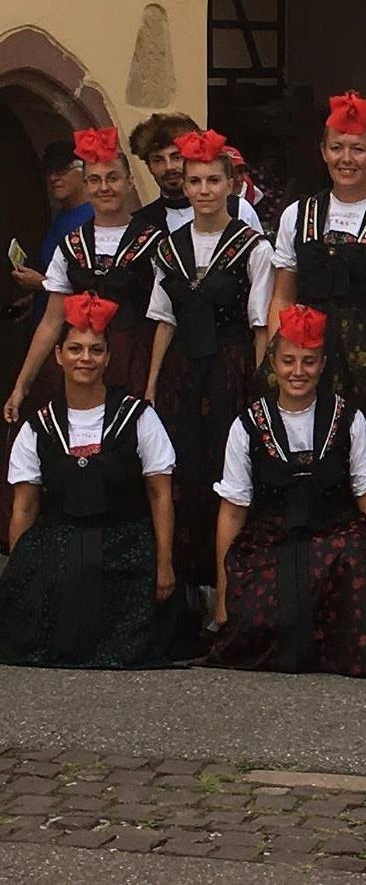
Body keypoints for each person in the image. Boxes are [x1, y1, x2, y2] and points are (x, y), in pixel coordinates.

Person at [209, 304, 366, 676]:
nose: (298, 372)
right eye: (289, 361)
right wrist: (223, 596)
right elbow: (232, 510)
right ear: (273, 363)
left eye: (309, 362)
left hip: (333, 535)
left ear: (323, 364)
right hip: (271, 541)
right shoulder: (246, 425)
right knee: (259, 614)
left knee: (354, 557)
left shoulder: (349, 419)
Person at [0, 292, 186, 667]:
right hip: (59, 539)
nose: (85, 359)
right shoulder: (38, 427)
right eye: (75, 349)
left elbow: (160, 495)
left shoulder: (139, 417)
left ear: (108, 357)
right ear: (58, 355)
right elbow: (25, 505)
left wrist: (164, 564)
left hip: (124, 539)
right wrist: (21, 575)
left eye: (95, 350)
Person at [268, 92, 366, 479]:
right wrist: (273, 365)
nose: (346, 158)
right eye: (337, 147)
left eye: (357, 149)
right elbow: (283, 297)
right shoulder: (297, 214)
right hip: (309, 355)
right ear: (323, 151)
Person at [145, 129, 275, 590]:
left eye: (211, 182)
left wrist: (262, 385)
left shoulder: (254, 248)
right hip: (182, 370)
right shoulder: (166, 247)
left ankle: (230, 580)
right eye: (194, 182)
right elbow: (164, 320)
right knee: (184, 464)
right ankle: (182, 575)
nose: (202, 191)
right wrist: (152, 384)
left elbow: (261, 325)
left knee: (230, 465)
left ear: (230, 185)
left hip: (232, 367)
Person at [7, 127, 165, 421]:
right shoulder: (71, 244)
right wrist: (22, 385)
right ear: (86, 184)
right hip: (80, 365)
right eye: (95, 180)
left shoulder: (155, 243)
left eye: (113, 178)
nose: (104, 187)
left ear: (129, 183)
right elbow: (52, 321)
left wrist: (154, 382)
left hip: (134, 366)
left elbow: (165, 322)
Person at [128, 114, 262, 234]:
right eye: (158, 160)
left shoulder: (237, 209)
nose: (169, 167)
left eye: (176, 157)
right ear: (149, 166)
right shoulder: (142, 223)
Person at [7, 139, 93, 326]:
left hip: (74, 331)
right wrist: (34, 299)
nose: (54, 178)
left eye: (62, 170)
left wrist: (41, 284)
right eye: (49, 171)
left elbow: (95, 289)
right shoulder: (63, 216)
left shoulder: (94, 220)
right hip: (48, 323)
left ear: (84, 171)